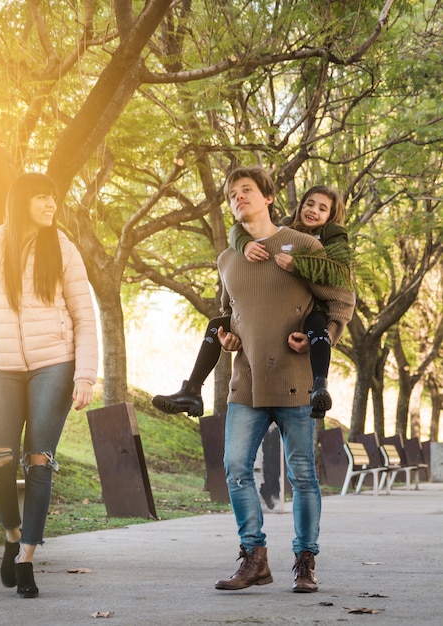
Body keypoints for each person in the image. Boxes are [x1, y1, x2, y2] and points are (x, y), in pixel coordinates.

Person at [0, 172, 98, 599]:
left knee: (37, 460)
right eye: (43, 198)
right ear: (21, 202)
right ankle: (12, 536)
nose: (52, 205)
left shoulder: (62, 248)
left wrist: (85, 374)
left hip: (55, 364)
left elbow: (85, 317)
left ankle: (28, 557)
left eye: (54, 197)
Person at [211, 166, 355, 593]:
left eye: (247, 190)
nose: (239, 197)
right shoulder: (227, 257)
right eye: (233, 193)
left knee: (303, 475)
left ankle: (305, 562)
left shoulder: (305, 245)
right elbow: (229, 309)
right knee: (236, 468)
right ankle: (254, 558)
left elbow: (342, 299)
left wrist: (321, 339)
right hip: (246, 382)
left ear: (269, 196)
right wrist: (227, 337)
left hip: (296, 381)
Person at [151, 185, 349, 420]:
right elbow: (240, 229)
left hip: (312, 308)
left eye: (322, 208)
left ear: (331, 216)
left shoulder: (331, 235)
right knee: (217, 324)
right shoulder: (283, 229)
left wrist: (299, 266)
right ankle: (192, 390)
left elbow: (340, 273)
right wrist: (244, 244)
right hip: (272, 308)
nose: (313, 210)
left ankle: (319, 387)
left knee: (317, 326)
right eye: (309, 204)